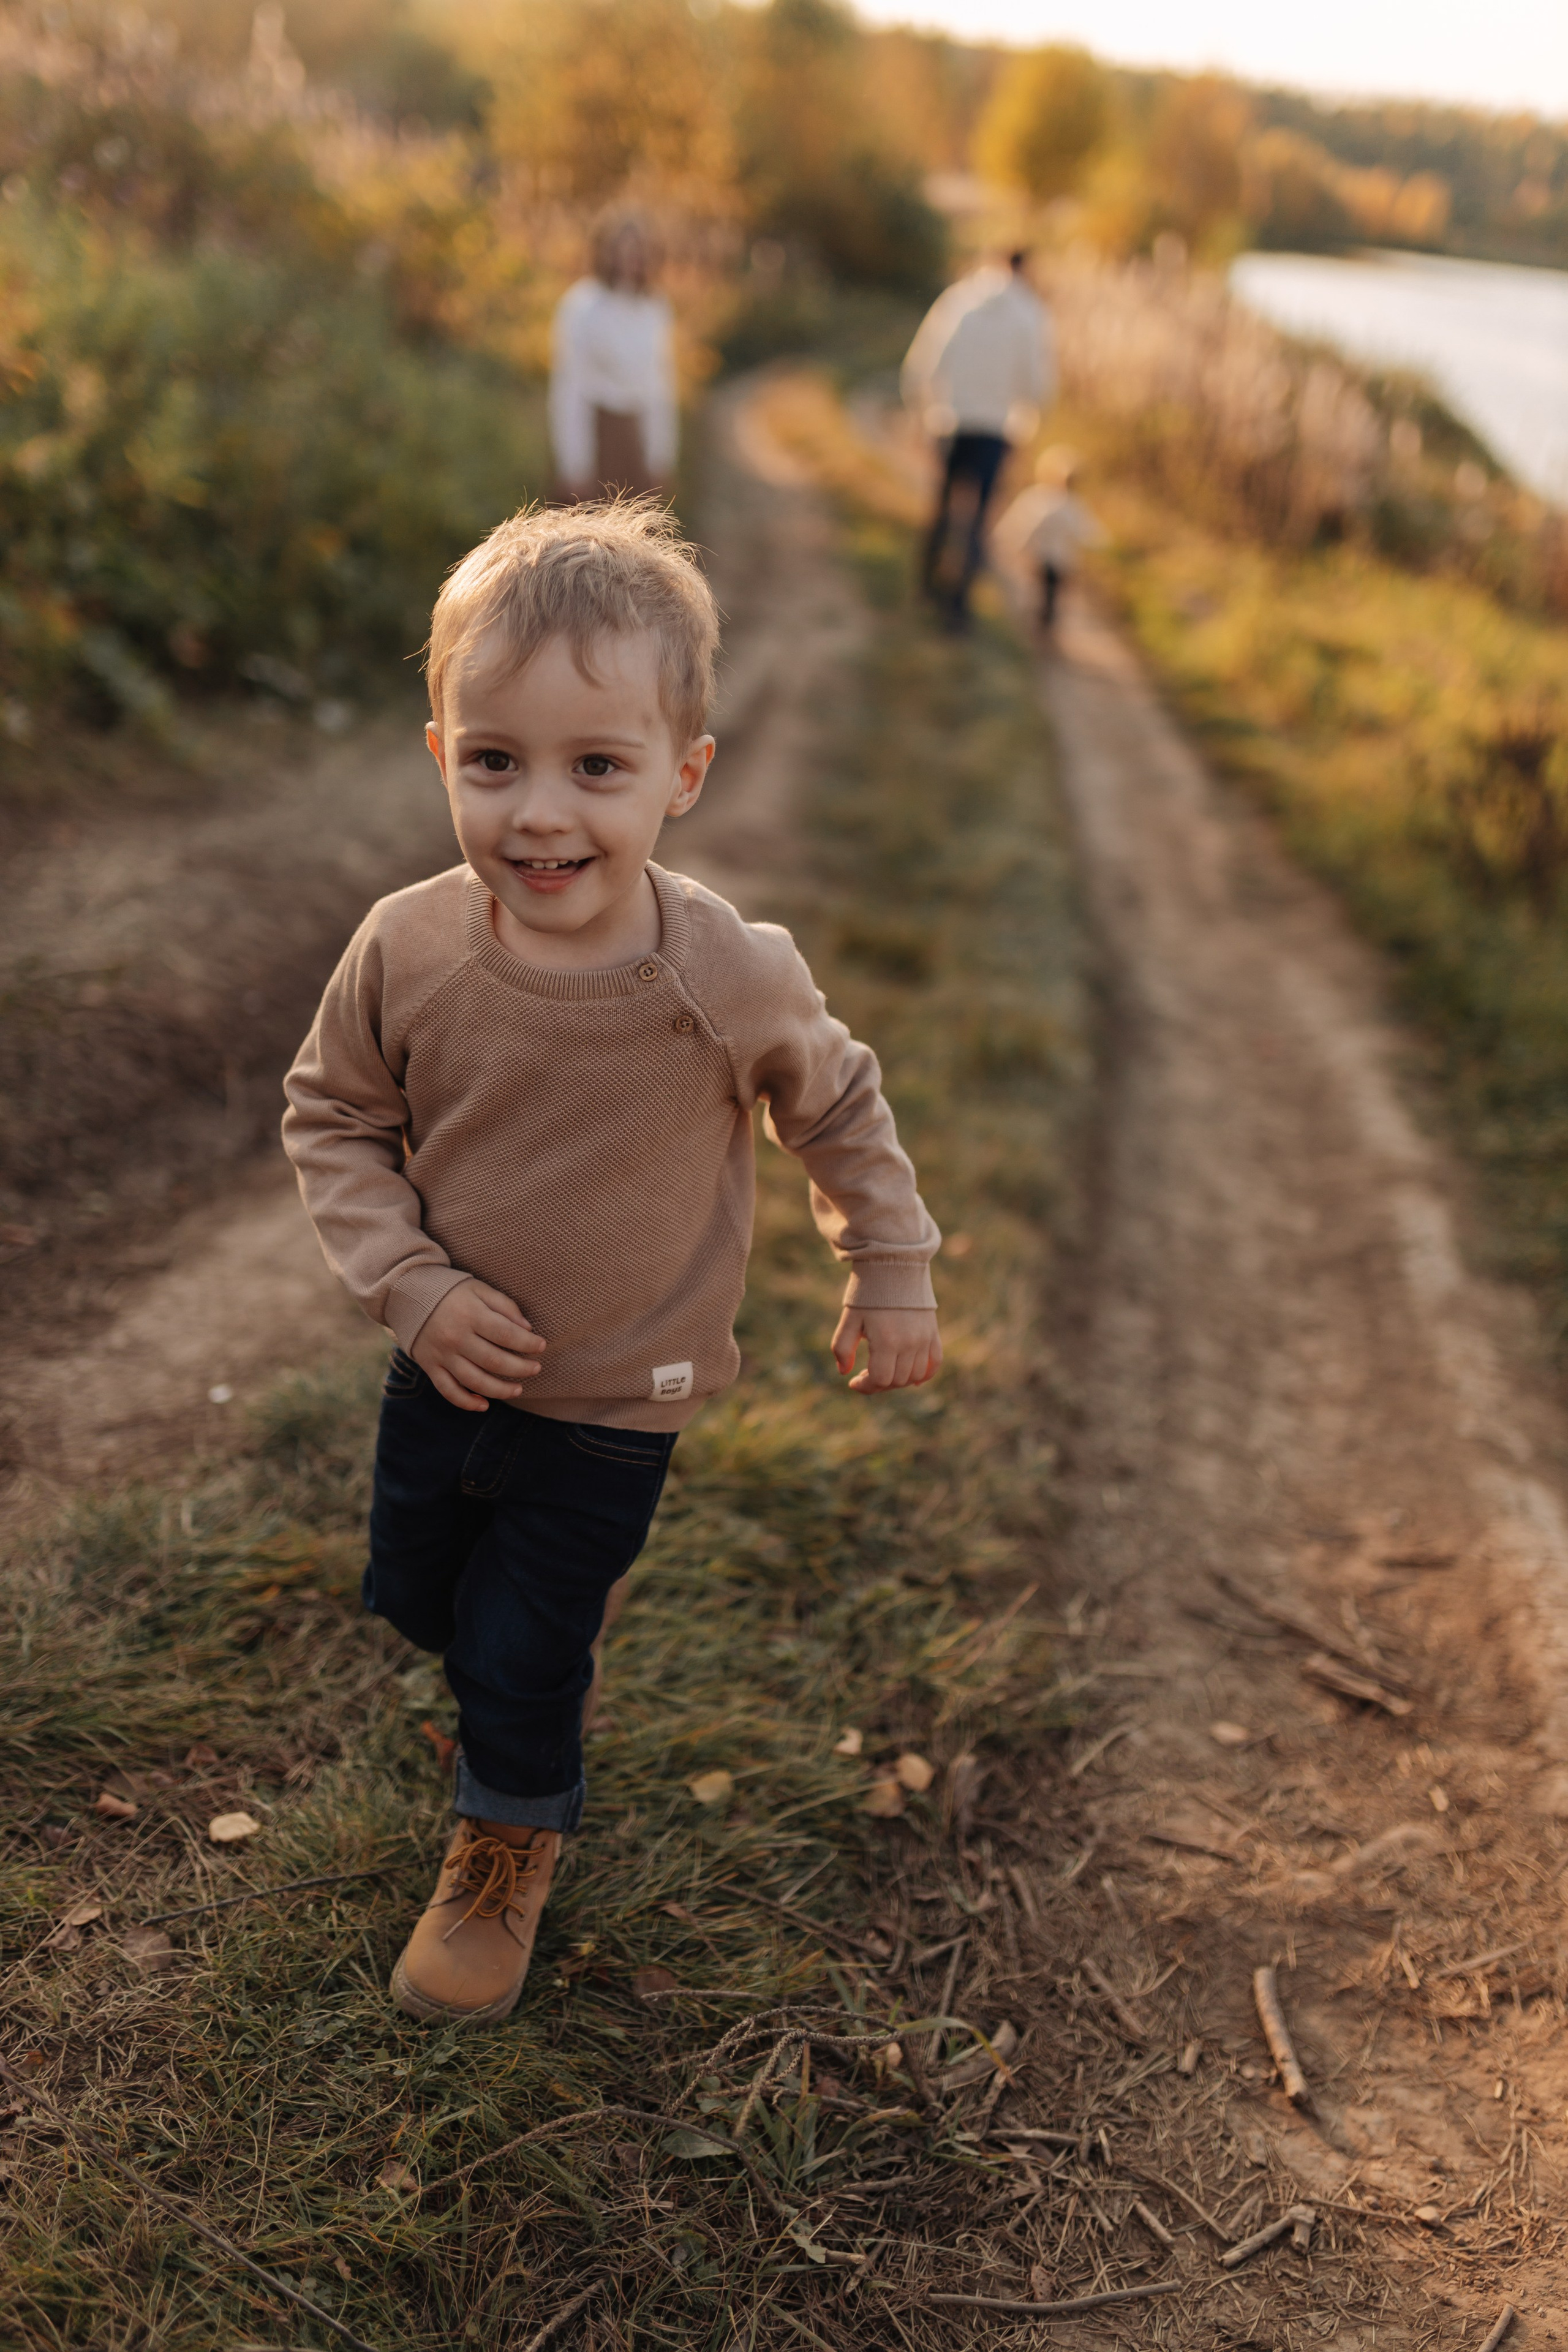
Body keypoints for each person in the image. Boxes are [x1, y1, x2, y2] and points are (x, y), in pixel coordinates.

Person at [281, 501, 943, 2029]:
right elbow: (333, 1119)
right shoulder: (405, 948)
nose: (539, 813)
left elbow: (837, 1106)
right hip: (448, 1361)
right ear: (441, 753)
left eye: (598, 766)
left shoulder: (724, 973)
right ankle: (517, 1670)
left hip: (617, 1399)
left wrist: (889, 1263)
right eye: (496, 760)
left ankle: (507, 1835)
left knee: (519, 1645)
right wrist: (414, 1287)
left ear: (681, 777)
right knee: (420, 1593)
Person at [902, 251, 1056, 630]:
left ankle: (925, 586)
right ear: (1024, 268)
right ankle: (957, 608)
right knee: (978, 515)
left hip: (950, 420)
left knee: (943, 503)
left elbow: (926, 360)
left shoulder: (958, 300)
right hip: (996, 427)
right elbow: (1037, 386)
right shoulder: (1030, 312)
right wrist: (1027, 417)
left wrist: (920, 410)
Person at [549, 211, 677, 502]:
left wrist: (661, 455)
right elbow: (570, 388)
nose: (633, 257)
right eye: (624, 248)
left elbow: (661, 386)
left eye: (640, 249)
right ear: (606, 251)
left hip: (637, 441)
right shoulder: (582, 306)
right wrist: (574, 464)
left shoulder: (654, 308)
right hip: (597, 438)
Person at [994, 446, 1105, 631]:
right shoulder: (1041, 499)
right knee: (1040, 589)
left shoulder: (1073, 504)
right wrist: (1010, 539)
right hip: (1043, 555)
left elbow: (1087, 531)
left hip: (1060, 558)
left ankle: (1044, 623)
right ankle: (1036, 623)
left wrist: (1101, 545)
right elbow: (1022, 521)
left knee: (1050, 592)